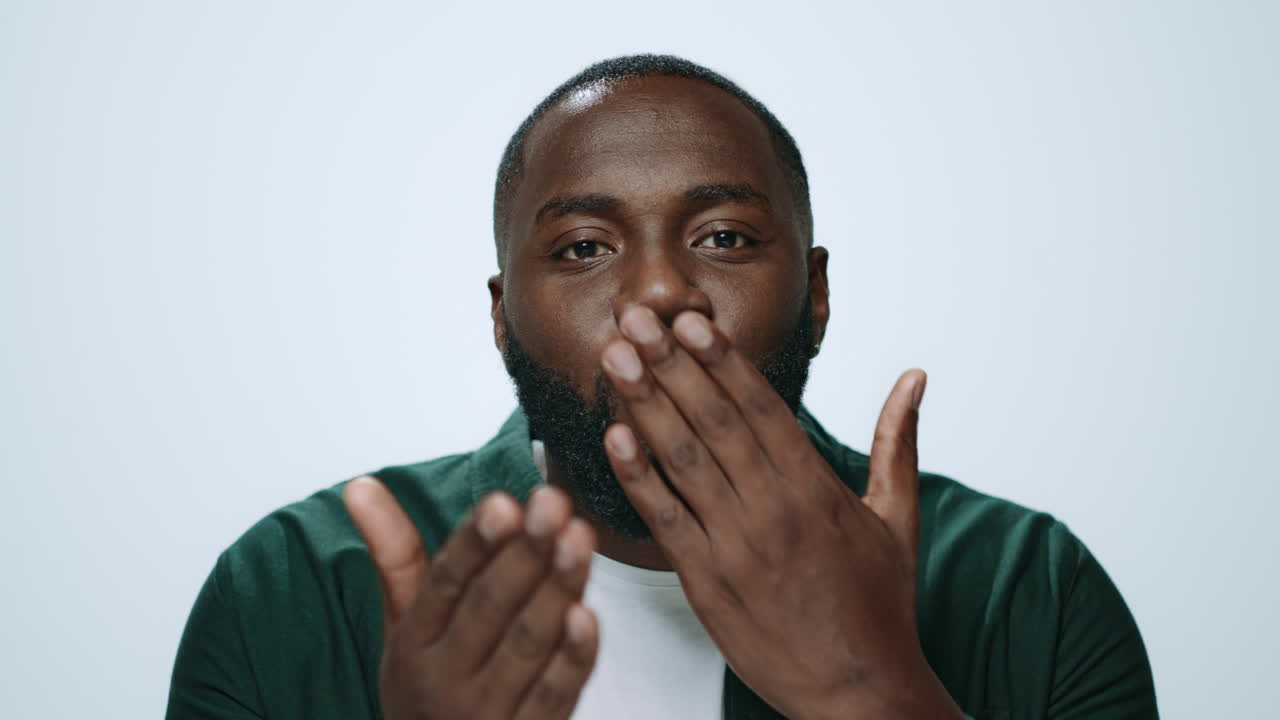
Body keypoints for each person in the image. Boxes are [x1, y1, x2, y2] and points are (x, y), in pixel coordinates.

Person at [167, 54, 1158, 720]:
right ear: (500, 312)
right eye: (583, 247)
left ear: (814, 296)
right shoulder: (289, 592)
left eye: (721, 238)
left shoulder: (1033, 590)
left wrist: (876, 692)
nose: (656, 293)